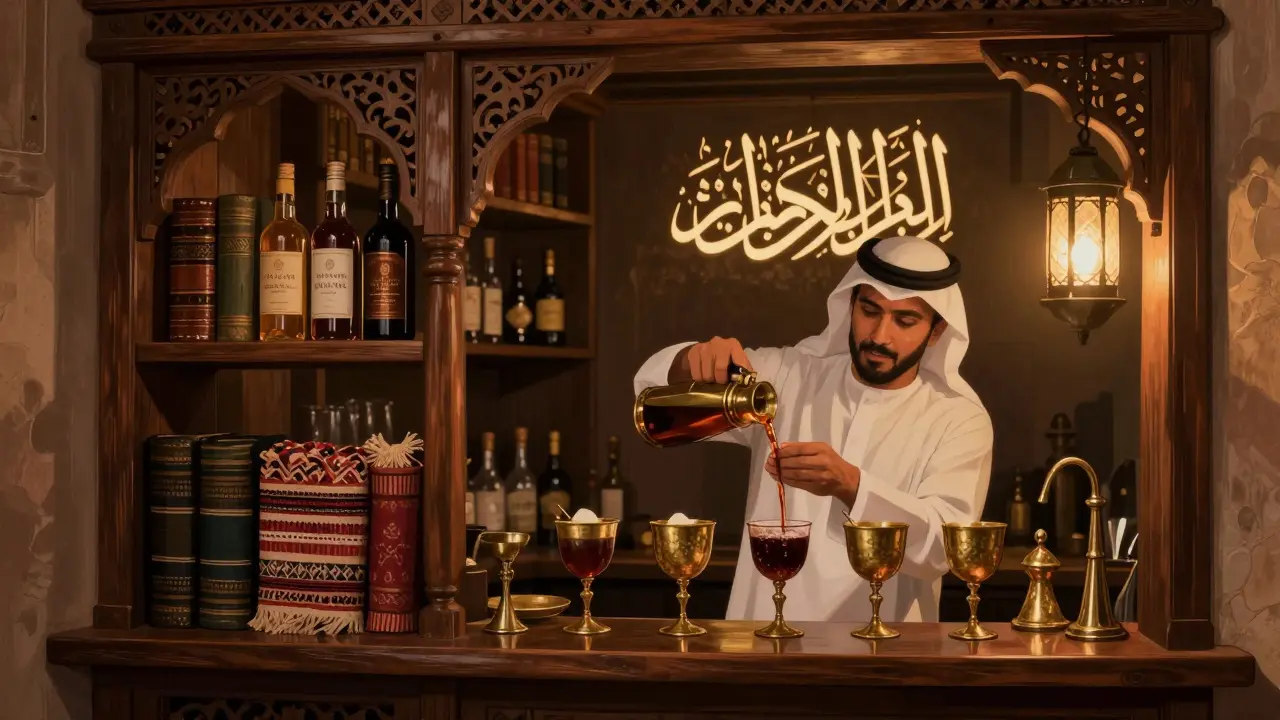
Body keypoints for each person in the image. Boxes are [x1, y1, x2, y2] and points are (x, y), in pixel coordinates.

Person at [632, 235, 993, 623]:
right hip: (763, 636)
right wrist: (692, 359)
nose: (879, 336)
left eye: (904, 321)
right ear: (850, 305)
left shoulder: (958, 418)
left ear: (937, 331)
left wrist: (852, 485)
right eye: (869, 310)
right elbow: (652, 397)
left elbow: (946, 547)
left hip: (887, 646)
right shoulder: (789, 377)